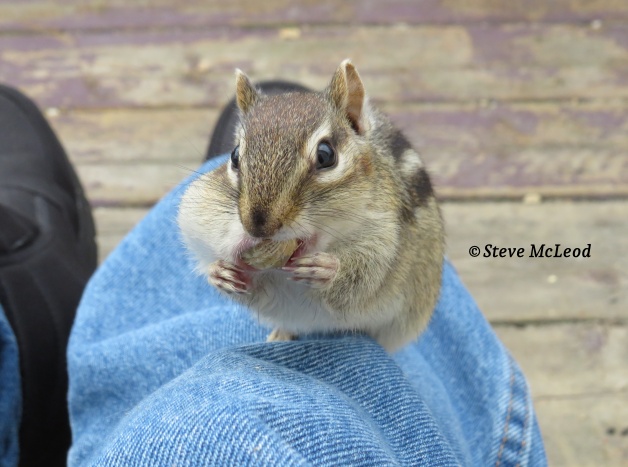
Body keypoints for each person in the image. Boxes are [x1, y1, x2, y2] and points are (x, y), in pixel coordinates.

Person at [0, 84, 547, 466]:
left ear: (355, 120)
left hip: (387, 314)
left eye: (324, 157)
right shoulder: (250, 206)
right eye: (240, 160)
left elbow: (375, 276)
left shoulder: (374, 205)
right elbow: (217, 227)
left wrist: (336, 273)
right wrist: (224, 269)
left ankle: (24, 352)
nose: (266, 220)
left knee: (181, 361)